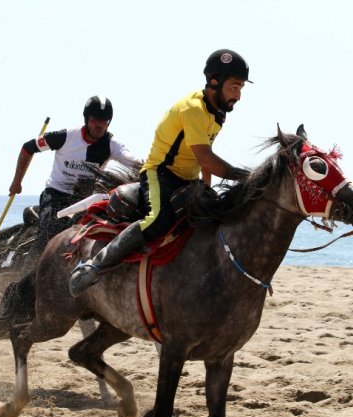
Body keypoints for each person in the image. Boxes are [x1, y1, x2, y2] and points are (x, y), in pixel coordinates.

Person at [69, 49, 252, 296]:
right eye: (234, 87)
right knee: (158, 220)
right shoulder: (193, 109)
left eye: (241, 88)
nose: (238, 95)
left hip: (188, 179)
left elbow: (205, 158)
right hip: (160, 175)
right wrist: (247, 177)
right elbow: (207, 158)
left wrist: (206, 190)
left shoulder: (218, 114)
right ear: (214, 82)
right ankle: (95, 265)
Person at [9, 95, 144, 251]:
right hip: (56, 195)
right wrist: (16, 182)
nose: (99, 125)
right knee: (48, 237)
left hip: (85, 201)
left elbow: (131, 160)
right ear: (86, 118)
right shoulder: (65, 137)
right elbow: (28, 148)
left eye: (104, 121)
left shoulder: (111, 144)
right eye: (94, 119)